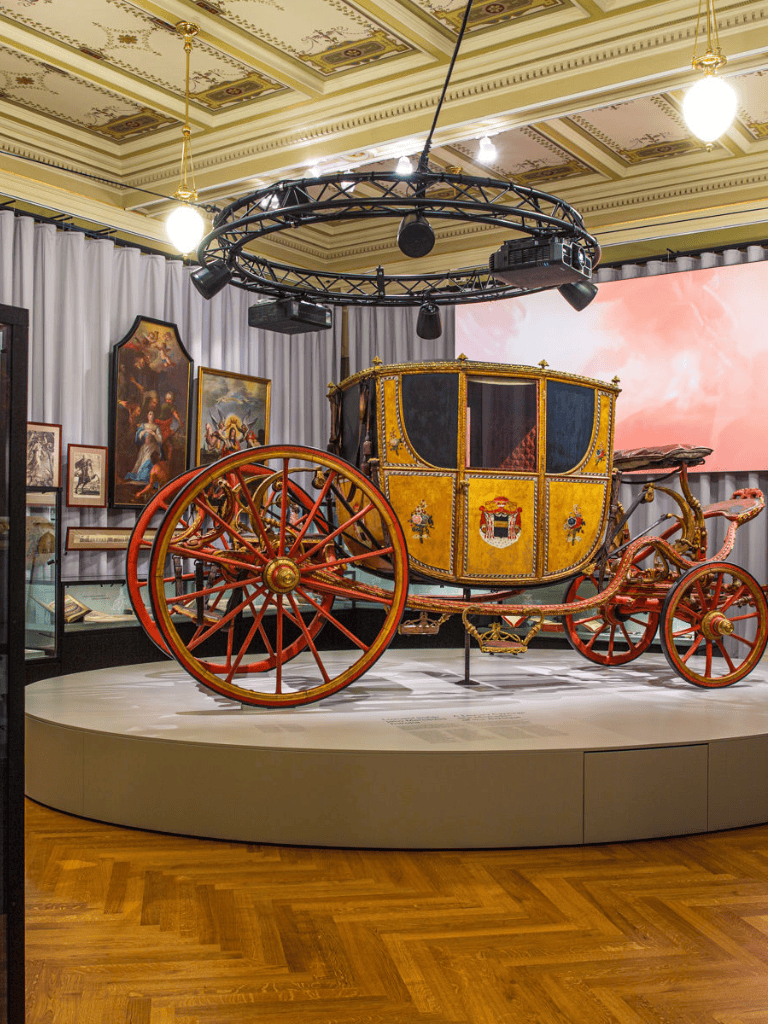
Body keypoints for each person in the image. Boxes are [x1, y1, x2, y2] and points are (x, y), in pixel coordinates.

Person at [125, 410, 163, 484]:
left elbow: (160, 440)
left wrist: (153, 434)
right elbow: (138, 437)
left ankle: (147, 477)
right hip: (144, 447)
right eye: (150, 414)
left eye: (152, 414)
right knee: (141, 462)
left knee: (148, 460)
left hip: (153, 447)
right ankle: (141, 476)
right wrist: (143, 432)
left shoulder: (156, 427)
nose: (151, 416)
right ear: (147, 416)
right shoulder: (143, 425)